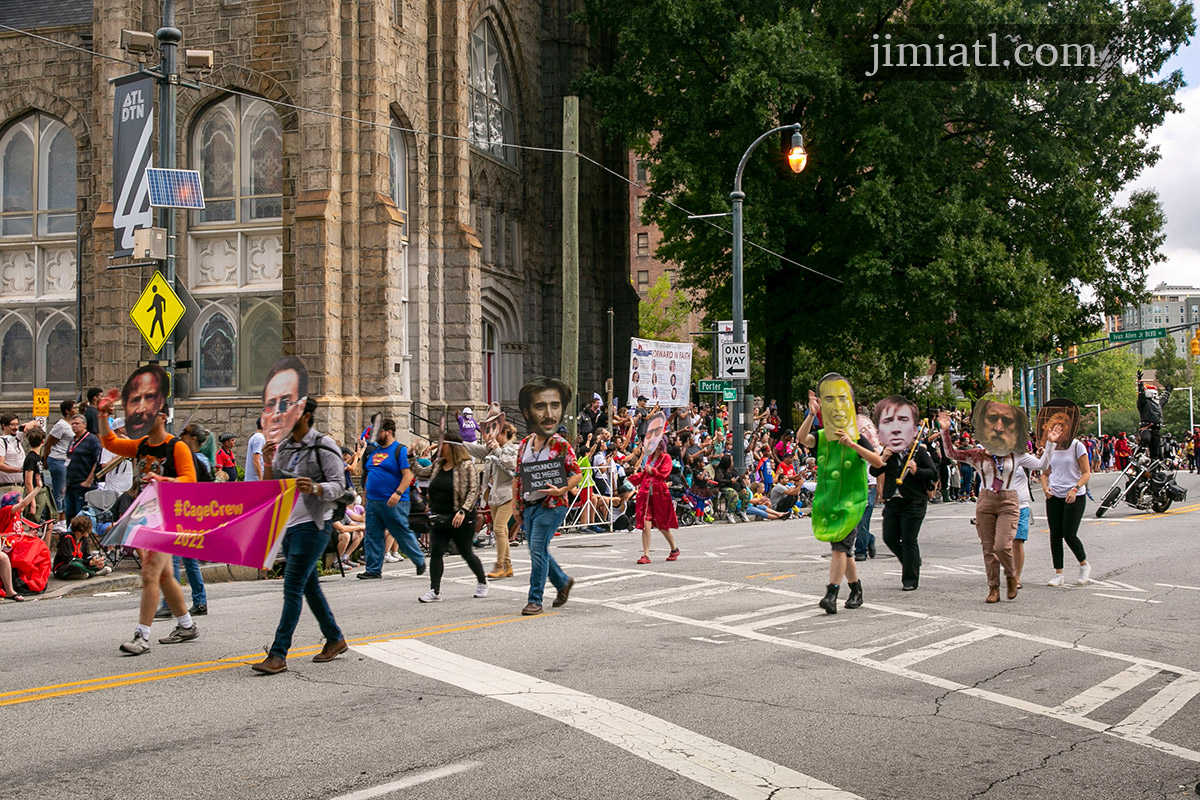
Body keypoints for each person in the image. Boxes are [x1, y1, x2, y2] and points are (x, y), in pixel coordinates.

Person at [97, 380, 199, 655]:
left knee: (150, 574)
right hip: (146, 516)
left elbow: (190, 480)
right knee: (164, 576)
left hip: (169, 518)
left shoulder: (175, 447)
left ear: (162, 416)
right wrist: (103, 414)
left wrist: (164, 479)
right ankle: (187, 625)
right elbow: (109, 441)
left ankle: (142, 637)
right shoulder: (141, 445)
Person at [253, 396, 348, 674]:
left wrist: (316, 489)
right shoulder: (285, 447)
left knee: (292, 585)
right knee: (309, 586)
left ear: (306, 415)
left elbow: (339, 486)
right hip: (290, 526)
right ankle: (334, 638)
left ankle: (278, 653)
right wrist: (269, 462)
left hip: (315, 524)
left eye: (291, 412)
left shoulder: (323, 445)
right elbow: (272, 486)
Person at [939, 409, 1053, 603]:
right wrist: (945, 431)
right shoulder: (977, 455)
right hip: (986, 501)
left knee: (1003, 545)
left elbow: (1042, 465)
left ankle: (1011, 576)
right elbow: (951, 453)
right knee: (989, 549)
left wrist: (1050, 442)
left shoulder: (1016, 454)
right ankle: (993, 588)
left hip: (1008, 501)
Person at [796, 378, 884, 614]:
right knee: (843, 549)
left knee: (839, 548)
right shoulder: (824, 436)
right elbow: (802, 439)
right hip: (830, 501)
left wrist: (853, 445)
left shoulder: (856, 436)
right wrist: (811, 415)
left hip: (853, 503)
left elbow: (878, 461)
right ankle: (856, 589)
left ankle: (831, 594)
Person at [512, 377, 582, 616]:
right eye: (540, 407)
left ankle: (535, 600)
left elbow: (576, 474)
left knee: (538, 549)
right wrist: (515, 506)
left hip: (552, 504)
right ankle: (562, 582)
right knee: (537, 550)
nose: (549, 414)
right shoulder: (524, 445)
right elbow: (517, 477)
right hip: (529, 505)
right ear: (527, 412)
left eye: (555, 406)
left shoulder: (560, 444)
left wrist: (562, 489)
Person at [869, 395, 936, 592]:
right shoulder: (889, 453)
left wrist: (917, 470)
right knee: (889, 537)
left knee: (908, 539)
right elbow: (874, 472)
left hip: (913, 500)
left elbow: (932, 472)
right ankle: (912, 561)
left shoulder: (918, 452)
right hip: (893, 500)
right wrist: (882, 458)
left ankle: (910, 579)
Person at [411, 431, 488, 602]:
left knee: (466, 552)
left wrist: (463, 510)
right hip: (439, 515)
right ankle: (434, 590)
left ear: (450, 447)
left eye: (441, 445)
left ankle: (482, 582)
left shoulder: (467, 466)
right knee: (436, 551)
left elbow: (473, 490)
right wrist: (411, 457)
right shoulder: (438, 464)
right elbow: (421, 473)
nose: (438, 448)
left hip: (460, 516)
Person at [359, 418, 424, 579]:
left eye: (378, 431)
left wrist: (398, 493)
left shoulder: (400, 450)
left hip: (394, 501)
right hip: (373, 501)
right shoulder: (375, 452)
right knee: (372, 535)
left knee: (401, 532)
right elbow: (369, 475)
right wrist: (365, 497)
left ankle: (419, 560)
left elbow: (408, 474)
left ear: (388, 432)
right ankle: (373, 569)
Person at [464, 422, 519, 579]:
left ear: (506, 433)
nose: (494, 436)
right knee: (500, 530)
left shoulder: (514, 449)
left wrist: (496, 449)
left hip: (509, 494)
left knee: (500, 528)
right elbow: (475, 450)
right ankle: (507, 566)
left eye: (498, 433)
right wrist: (454, 441)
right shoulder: (492, 450)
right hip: (494, 494)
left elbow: (512, 463)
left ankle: (499, 565)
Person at [1040, 424, 1093, 587]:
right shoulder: (1051, 448)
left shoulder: (1077, 446)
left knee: (1069, 534)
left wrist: (1075, 489)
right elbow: (1044, 473)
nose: (1058, 433)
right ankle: (1058, 573)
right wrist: (1045, 488)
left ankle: (1084, 565)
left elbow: (1086, 473)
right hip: (1054, 495)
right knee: (1055, 534)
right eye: (1055, 430)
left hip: (1074, 495)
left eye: (1061, 430)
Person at [629, 425, 680, 563]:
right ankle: (646, 555)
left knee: (663, 525)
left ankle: (674, 548)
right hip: (646, 496)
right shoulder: (650, 457)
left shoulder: (666, 458)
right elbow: (645, 475)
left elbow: (664, 473)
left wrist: (653, 471)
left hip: (660, 495)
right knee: (646, 524)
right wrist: (632, 479)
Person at [261, 356, 309, 446]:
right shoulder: (282, 452)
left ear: (300, 407)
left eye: (285, 403)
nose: (275, 416)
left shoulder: (320, 447)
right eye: (270, 405)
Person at [63, 414, 101, 522]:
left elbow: (97, 461)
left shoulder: (92, 440)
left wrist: (89, 481)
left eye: (77, 424)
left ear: (84, 424)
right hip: (70, 483)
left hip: (83, 484)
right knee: (69, 513)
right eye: (72, 424)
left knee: (80, 515)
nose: (74, 426)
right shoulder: (73, 440)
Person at [44, 399, 77, 520]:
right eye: (74, 408)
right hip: (58, 459)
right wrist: (45, 460)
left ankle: (64, 516)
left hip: (68, 461)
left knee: (66, 490)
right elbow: (49, 443)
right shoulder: (61, 425)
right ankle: (57, 518)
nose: (76, 410)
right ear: (67, 411)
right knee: (60, 490)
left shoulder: (74, 424)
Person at [120, 366, 167, 440]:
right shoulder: (139, 445)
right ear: (124, 404)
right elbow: (109, 442)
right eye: (135, 400)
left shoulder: (176, 447)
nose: (140, 409)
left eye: (149, 397)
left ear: (161, 402)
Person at [1136, 372, 1171, 460]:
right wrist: (1140, 383)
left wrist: (1167, 392)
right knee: (1146, 439)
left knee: (1155, 449)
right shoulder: (1143, 403)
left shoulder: (1157, 404)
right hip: (1146, 428)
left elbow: (1163, 400)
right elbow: (1141, 396)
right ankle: (1137, 454)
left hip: (1156, 429)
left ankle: (1154, 468)